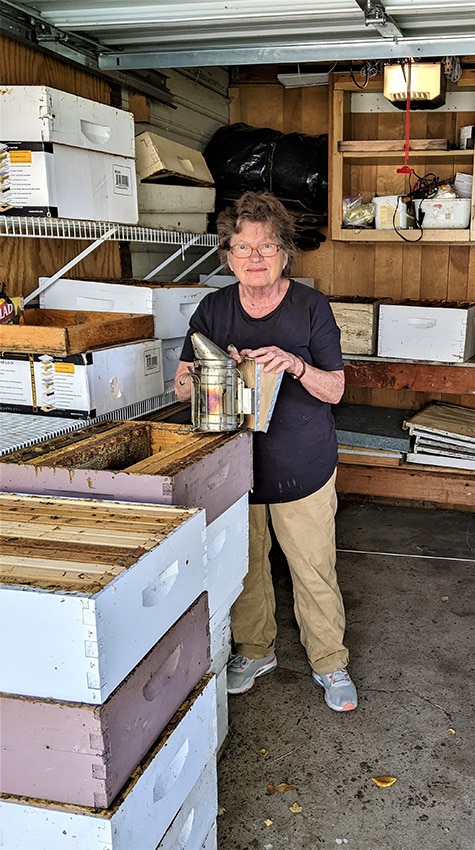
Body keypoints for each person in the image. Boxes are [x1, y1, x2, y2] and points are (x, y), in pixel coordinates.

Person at [174, 191, 357, 712]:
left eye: (266, 247)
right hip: (237, 466)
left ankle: (330, 661)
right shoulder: (214, 308)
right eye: (242, 247)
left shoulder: (309, 307)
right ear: (227, 255)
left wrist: (295, 364)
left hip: (304, 466)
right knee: (247, 567)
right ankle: (256, 652)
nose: (254, 257)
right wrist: (216, 368)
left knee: (313, 567)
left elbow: (336, 390)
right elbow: (182, 388)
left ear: (284, 253)